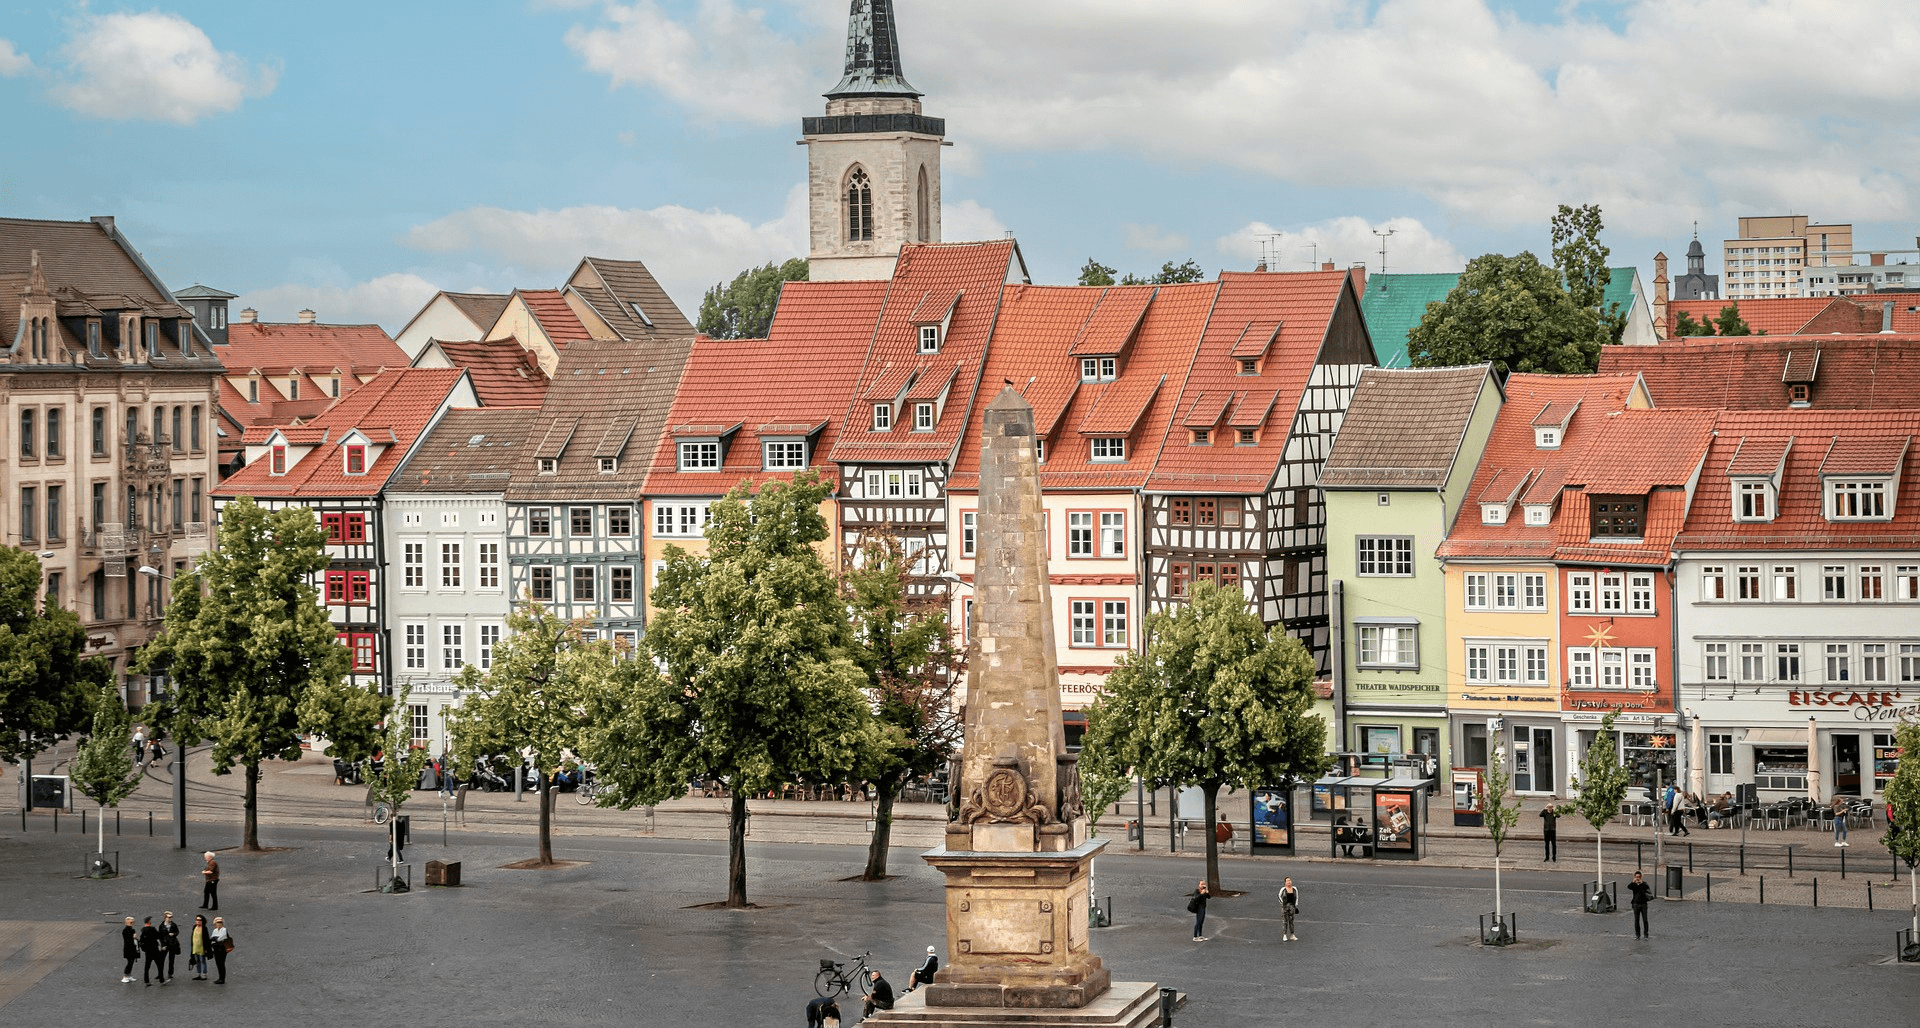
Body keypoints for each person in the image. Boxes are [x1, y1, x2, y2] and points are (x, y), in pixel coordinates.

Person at [138, 916, 166, 985]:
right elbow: (158, 936)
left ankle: (146, 980)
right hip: (155, 950)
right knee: (159, 965)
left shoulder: (143, 931)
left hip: (148, 951)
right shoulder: (152, 929)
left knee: (147, 966)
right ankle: (161, 980)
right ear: (149, 922)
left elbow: (141, 940)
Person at [1628, 870, 1652, 939]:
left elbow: (1647, 888)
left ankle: (1646, 934)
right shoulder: (1633, 885)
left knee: (1645, 920)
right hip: (1636, 903)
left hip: (1643, 903)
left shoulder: (1644, 884)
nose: (1638, 878)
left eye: (1639, 877)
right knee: (1636, 920)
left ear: (1641, 877)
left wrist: (1641, 883)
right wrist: (1634, 882)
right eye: (1636, 877)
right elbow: (1629, 887)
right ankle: (1637, 934)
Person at [208, 917, 230, 984]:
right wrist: (214, 940)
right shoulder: (215, 930)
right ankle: (220, 977)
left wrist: (215, 939)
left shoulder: (224, 930)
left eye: (220, 922)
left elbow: (221, 938)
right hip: (216, 949)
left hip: (222, 949)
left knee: (221, 964)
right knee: (218, 964)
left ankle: (222, 978)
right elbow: (212, 939)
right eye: (218, 922)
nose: (219, 923)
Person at [160, 911, 181, 980]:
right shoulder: (162, 926)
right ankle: (160, 973)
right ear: (165, 918)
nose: (170, 919)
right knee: (161, 960)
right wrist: (162, 945)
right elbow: (160, 936)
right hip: (165, 944)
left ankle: (170, 973)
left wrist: (174, 934)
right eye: (168, 917)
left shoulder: (173, 925)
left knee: (171, 960)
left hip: (172, 944)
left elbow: (177, 932)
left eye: (171, 917)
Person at [1278, 877, 1300, 942]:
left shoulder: (1294, 889)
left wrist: (1295, 905)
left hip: (1292, 907)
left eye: (1290, 880)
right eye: (1287, 881)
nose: (1289, 882)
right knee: (1285, 921)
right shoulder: (1283, 889)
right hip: (1285, 907)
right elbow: (1279, 896)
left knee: (1291, 921)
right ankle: (1284, 935)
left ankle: (1292, 934)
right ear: (1285, 882)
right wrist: (1282, 903)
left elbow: (1297, 897)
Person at [189, 915, 209, 980]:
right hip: (195, 947)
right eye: (196, 920)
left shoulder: (204, 928)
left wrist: (206, 948)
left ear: (202, 921)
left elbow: (206, 939)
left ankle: (204, 974)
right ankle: (198, 973)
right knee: (197, 961)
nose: (197, 921)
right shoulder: (194, 927)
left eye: (199, 920)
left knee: (203, 961)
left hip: (201, 948)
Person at [120, 916, 138, 983]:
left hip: (132, 949)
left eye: (132, 922)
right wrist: (133, 937)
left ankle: (129, 975)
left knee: (131, 962)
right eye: (130, 922)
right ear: (126, 922)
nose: (131, 923)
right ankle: (125, 976)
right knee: (129, 962)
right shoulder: (126, 930)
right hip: (128, 949)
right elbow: (128, 940)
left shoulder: (132, 930)